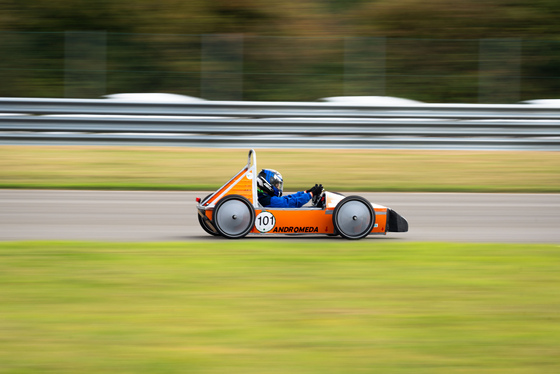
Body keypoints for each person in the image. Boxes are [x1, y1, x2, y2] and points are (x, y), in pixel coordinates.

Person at [257, 169, 323, 208]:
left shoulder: (262, 196)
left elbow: (286, 198)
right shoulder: (269, 200)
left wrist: (305, 192)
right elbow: (292, 202)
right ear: (268, 184)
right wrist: (311, 194)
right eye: (277, 185)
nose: (278, 187)